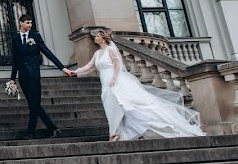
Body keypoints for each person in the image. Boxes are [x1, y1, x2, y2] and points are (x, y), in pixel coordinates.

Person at [74, 29, 205, 141]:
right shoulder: (97, 54)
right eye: (96, 36)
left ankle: (115, 134)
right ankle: (118, 133)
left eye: (97, 36)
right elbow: (89, 67)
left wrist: (114, 79)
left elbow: (118, 65)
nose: (95, 38)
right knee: (111, 106)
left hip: (114, 81)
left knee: (122, 105)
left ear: (103, 38)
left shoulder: (110, 50)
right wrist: (74, 72)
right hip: (105, 82)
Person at [10, 14, 75, 140]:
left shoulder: (35, 36)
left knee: (34, 104)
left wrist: (63, 68)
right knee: (33, 104)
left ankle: (30, 132)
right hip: (23, 77)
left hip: (34, 75)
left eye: (31, 23)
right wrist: (12, 78)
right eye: (28, 23)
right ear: (21, 23)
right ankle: (53, 128)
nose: (30, 25)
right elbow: (15, 60)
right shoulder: (15, 39)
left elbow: (48, 52)